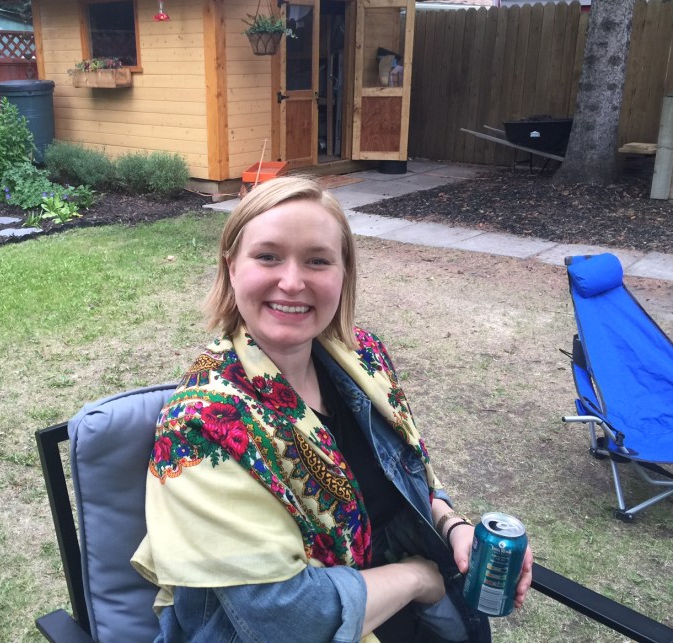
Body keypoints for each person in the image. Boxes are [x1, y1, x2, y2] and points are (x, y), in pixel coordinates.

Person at [132, 177, 533, 642]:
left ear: (344, 274)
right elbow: (286, 621)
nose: (292, 282)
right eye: (268, 256)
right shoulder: (201, 425)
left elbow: (406, 476)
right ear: (232, 267)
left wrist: (451, 525)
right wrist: (417, 578)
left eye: (318, 260)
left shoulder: (363, 359)